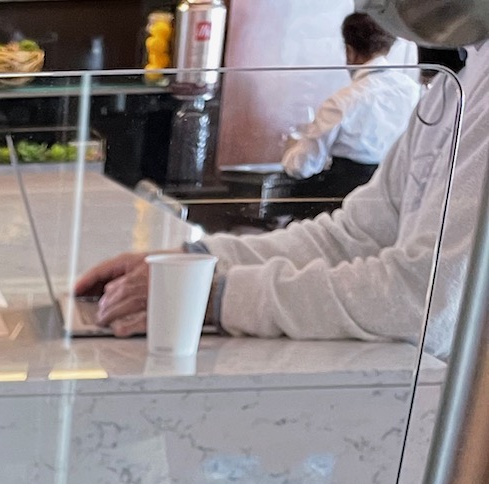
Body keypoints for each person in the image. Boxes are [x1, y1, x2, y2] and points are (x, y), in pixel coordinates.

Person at [76, 44, 489, 357]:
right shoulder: (453, 85)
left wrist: (214, 295)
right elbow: (350, 237)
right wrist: (192, 261)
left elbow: (428, 302)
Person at [276, 12, 417, 204]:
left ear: (350, 51)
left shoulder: (341, 102)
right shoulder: (413, 91)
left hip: (345, 200)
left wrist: (292, 152)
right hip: (396, 198)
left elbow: (303, 166)